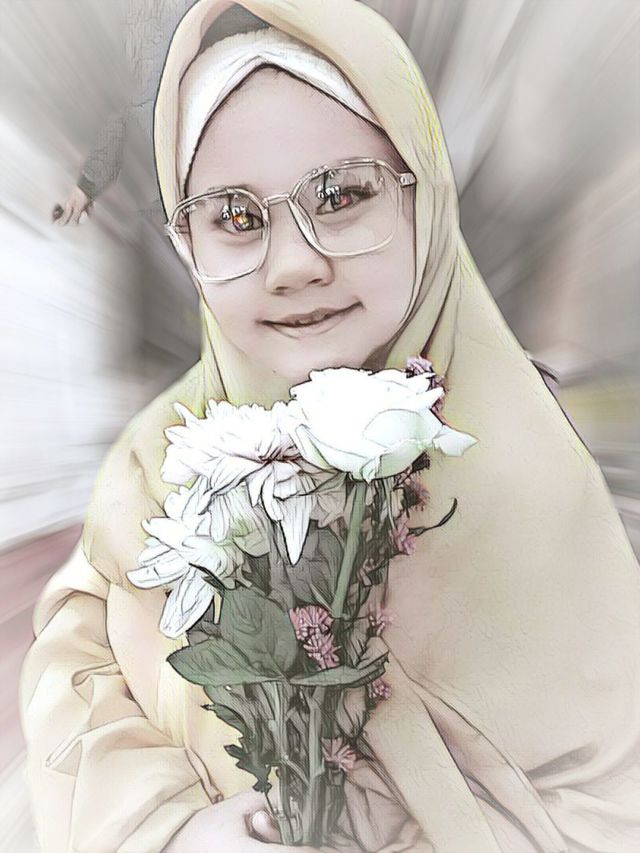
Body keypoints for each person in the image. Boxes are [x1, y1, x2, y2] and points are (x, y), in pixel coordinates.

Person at [21, 2, 640, 851]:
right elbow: (77, 681)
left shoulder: (527, 475)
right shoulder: (154, 465)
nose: (296, 264)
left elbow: (612, 785)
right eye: (236, 218)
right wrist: (173, 832)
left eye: (343, 195)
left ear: (425, 194)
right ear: (185, 241)